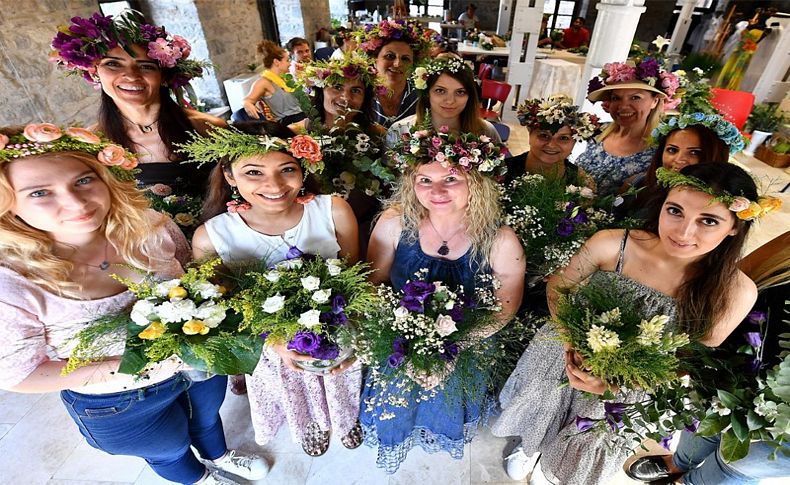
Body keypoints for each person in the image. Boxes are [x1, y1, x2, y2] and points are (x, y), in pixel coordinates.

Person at [0, 124, 268, 485]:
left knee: (206, 419)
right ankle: (200, 478)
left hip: (196, 364)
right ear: (8, 201)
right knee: (169, 449)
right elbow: (18, 374)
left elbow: (191, 276)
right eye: (39, 193)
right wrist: (126, 366)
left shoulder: (151, 225)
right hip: (118, 400)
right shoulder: (12, 281)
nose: (76, 203)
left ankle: (220, 455)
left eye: (83, 181)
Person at [493, 162, 763, 484]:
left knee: (585, 444)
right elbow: (560, 287)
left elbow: (691, 359)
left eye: (708, 220)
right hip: (564, 356)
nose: (683, 232)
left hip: (630, 388)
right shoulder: (616, 244)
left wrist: (614, 385)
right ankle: (530, 446)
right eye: (675, 211)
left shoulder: (735, 291)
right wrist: (573, 344)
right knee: (540, 406)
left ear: (735, 226)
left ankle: (555, 468)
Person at [181, 124, 363, 458]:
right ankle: (309, 426)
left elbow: (354, 277)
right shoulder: (212, 236)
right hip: (268, 344)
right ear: (230, 175)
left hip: (335, 331)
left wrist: (348, 333)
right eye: (253, 172)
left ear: (303, 169)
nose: (275, 185)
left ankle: (345, 418)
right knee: (292, 390)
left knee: (340, 382)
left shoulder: (333, 210)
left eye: (287, 169)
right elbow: (222, 306)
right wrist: (275, 340)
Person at [362, 128, 525, 473]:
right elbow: (374, 282)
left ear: (475, 182)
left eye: (451, 178)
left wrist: (447, 350)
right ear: (411, 181)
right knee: (399, 398)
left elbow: (505, 307)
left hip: (468, 343)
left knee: (447, 399)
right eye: (424, 179)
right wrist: (405, 338)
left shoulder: (500, 239)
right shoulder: (394, 224)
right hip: (398, 339)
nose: (436, 191)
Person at [627, 231, 790, 484]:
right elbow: (739, 278)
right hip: (726, 372)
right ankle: (679, 463)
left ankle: (690, 481)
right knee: (703, 424)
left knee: (732, 465)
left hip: (779, 428)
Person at [50, 11, 227, 196]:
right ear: (95, 73)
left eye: (146, 66)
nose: (131, 75)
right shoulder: (94, 142)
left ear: (164, 77)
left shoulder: (206, 128)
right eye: (113, 64)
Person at [574, 57, 681, 195]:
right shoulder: (597, 130)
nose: (623, 106)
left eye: (635, 97)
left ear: (654, 101)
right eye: (616, 98)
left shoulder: (661, 150)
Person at [619, 112, 745, 217]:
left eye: (694, 152)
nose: (679, 159)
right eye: (672, 150)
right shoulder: (636, 183)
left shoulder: (724, 205)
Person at [386, 55, 501, 148]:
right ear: (427, 93)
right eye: (440, 91)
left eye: (460, 92)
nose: (450, 101)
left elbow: (499, 176)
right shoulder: (399, 131)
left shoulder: (487, 131)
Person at [505, 95, 600, 186]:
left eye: (563, 138)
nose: (551, 145)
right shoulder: (501, 171)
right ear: (530, 135)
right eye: (543, 135)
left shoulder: (582, 181)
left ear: (574, 142)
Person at [357, 19, 429, 128]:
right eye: (390, 56)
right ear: (374, 59)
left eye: (405, 59)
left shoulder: (421, 96)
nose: (397, 64)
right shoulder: (360, 92)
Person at [237, 40, 306, 125]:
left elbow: (302, 99)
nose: (290, 64)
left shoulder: (286, 78)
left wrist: (301, 77)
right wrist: (247, 104)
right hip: (289, 124)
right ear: (276, 62)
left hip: (303, 117)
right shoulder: (264, 82)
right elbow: (247, 100)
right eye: (287, 60)